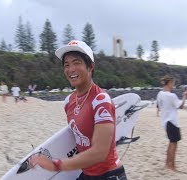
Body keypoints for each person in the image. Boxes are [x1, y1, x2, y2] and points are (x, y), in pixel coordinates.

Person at [29, 40, 127, 179]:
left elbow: (100, 152)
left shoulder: (101, 100)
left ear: (90, 67)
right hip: (86, 174)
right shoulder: (69, 101)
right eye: (66, 65)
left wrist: (56, 165)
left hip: (108, 174)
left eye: (77, 63)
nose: (71, 69)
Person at [156, 75, 187, 171]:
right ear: (169, 83)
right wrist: (184, 96)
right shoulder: (171, 95)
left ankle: (167, 164)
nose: (173, 85)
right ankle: (172, 165)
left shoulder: (160, 94)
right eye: (173, 83)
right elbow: (181, 106)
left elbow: (159, 106)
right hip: (173, 122)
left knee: (171, 143)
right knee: (174, 144)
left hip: (165, 122)